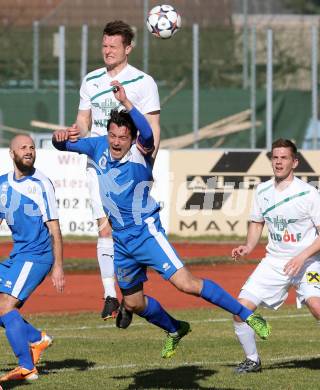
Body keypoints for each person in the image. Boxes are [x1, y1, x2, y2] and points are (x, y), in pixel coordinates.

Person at [53, 83, 270, 359]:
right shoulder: (98, 146)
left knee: (186, 284)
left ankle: (247, 314)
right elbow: (62, 144)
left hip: (146, 233)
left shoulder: (140, 152)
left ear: (132, 139)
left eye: (122, 136)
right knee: (133, 303)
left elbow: (146, 132)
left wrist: (128, 103)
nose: (116, 141)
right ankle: (175, 328)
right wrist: (58, 136)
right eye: (112, 135)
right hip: (121, 240)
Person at [72, 20, 160, 321]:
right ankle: (110, 295)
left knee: (127, 229)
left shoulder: (143, 82)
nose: (107, 50)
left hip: (131, 167)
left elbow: (152, 127)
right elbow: (84, 120)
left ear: (128, 48)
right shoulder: (91, 80)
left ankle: (129, 297)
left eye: (113, 46)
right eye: (104, 45)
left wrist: (148, 161)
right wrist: (77, 131)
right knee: (104, 225)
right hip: (99, 163)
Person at [231, 138, 320, 374]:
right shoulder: (262, 191)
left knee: (318, 308)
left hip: (309, 263)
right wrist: (248, 247)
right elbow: (257, 222)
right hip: (274, 263)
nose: (278, 162)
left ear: (295, 162)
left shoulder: (309, 193)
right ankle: (252, 361)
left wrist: (302, 257)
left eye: (284, 158)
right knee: (240, 310)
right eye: (275, 157)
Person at [0, 135, 65, 383]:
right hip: (18, 255)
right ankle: (37, 339)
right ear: (12, 153)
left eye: (32, 147)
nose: (28, 151)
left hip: (37, 255)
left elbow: (55, 229)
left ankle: (27, 367)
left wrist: (58, 266)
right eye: (23, 147)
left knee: (6, 305)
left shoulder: (41, 184)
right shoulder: (2, 185)